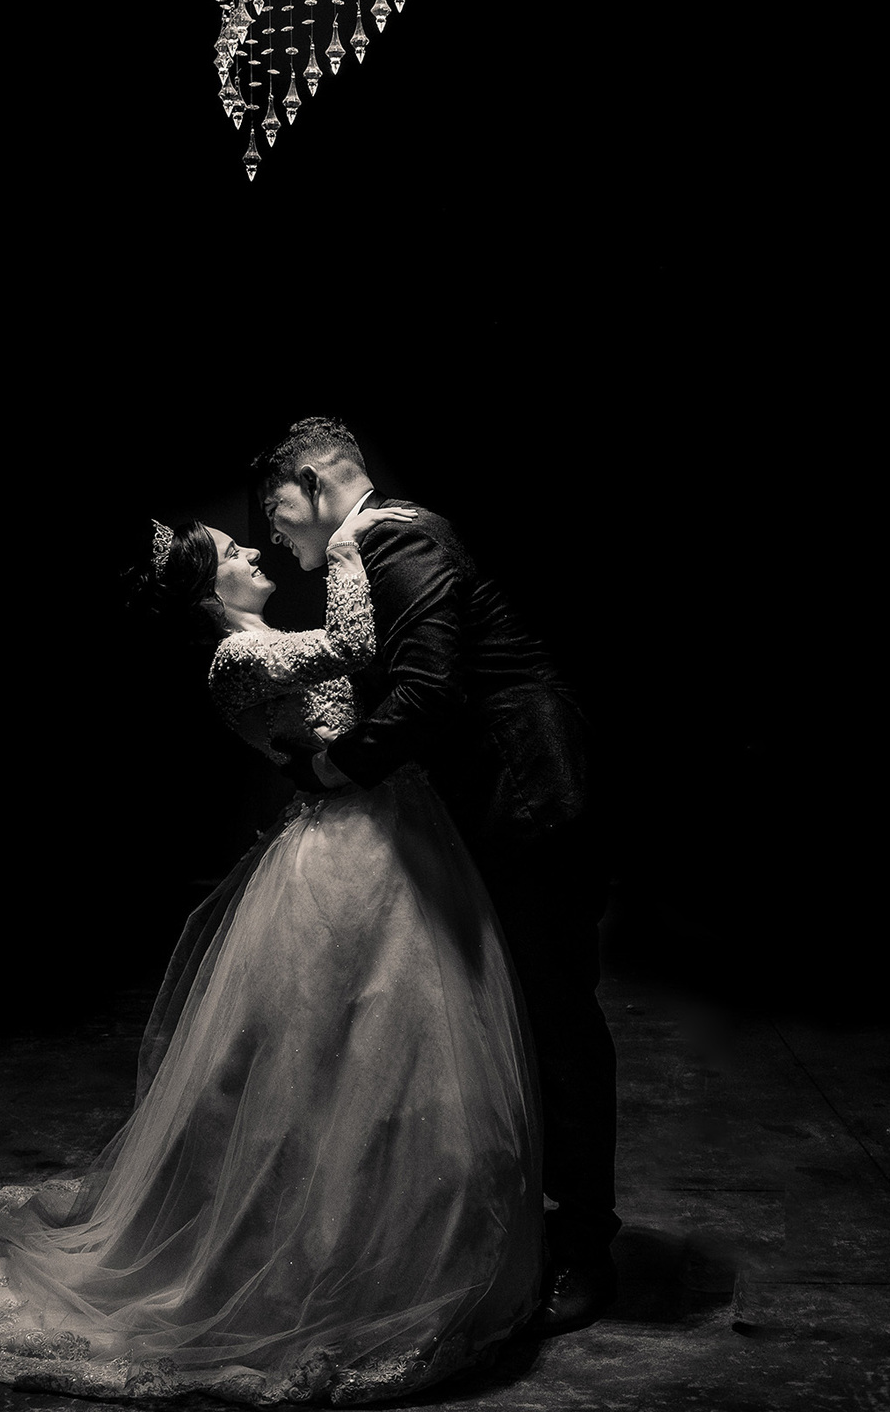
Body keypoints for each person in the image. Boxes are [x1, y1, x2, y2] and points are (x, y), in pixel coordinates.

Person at [0, 498, 544, 1405]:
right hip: (347, 854)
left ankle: (393, 1243)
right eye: (235, 551)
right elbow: (352, 646)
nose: (257, 552)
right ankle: (313, 1260)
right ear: (206, 589)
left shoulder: (264, 641)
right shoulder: (238, 656)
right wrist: (351, 545)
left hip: (386, 832)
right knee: (337, 1054)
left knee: (386, 1056)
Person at [254, 417, 620, 1333]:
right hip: (498, 803)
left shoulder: (395, 538)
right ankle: (538, 1228)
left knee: (556, 1019)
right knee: (522, 1017)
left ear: (313, 483)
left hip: (528, 796)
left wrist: (329, 768)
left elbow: (428, 688)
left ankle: (587, 1248)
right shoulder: (380, 545)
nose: (277, 537)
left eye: (277, 511)